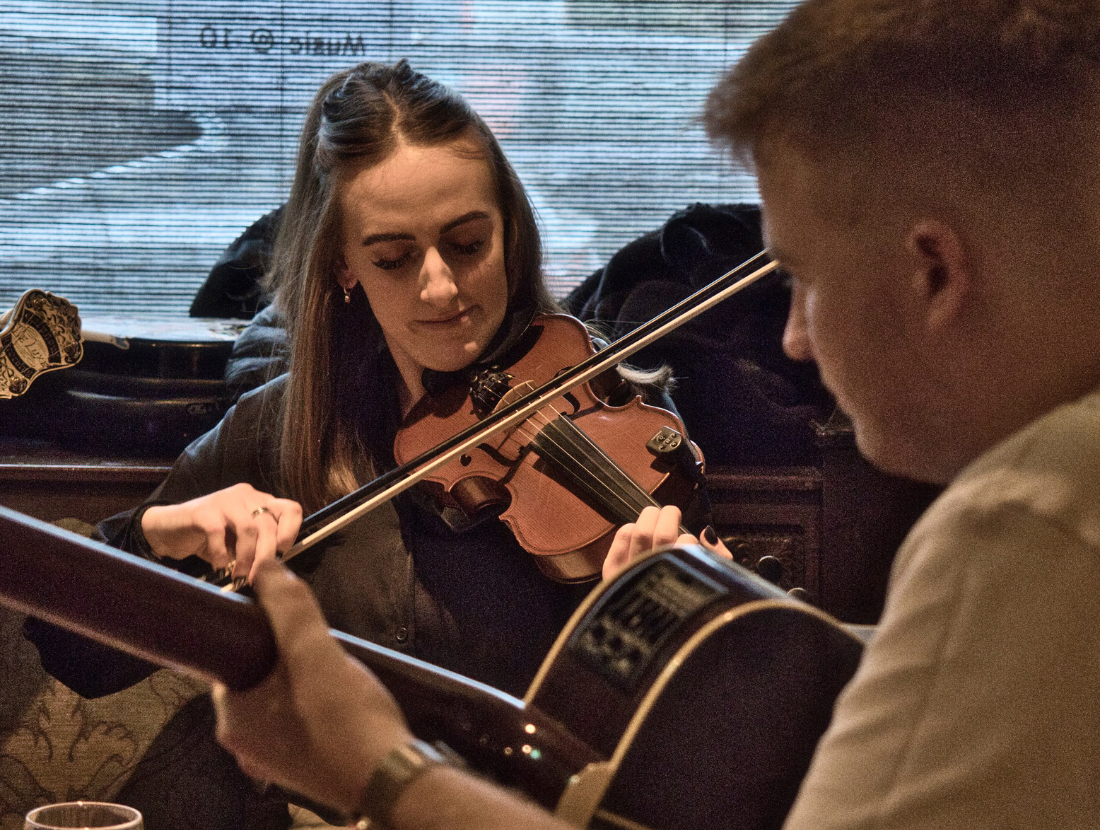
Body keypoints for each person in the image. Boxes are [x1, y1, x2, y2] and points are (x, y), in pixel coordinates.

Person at [211, 2, 1100, 828]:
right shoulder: (1042, 510)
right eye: (396, 257)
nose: (791, 339)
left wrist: (381, 772)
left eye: (802, 277)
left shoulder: (1024, 527)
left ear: (933, 272)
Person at [24, 60, 704, 830]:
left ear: (510, 232)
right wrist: (165, 532)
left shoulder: (606, 406)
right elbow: (71, 653)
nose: (441, 287)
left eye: (468, 243)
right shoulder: (277, 430)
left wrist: (649, 618)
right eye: (393, 258)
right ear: (345, 266)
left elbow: (671, 751)